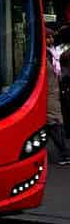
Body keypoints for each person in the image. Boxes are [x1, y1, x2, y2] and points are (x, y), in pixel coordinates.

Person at [47, 30, 70, 165]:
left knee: (54, 121)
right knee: (54, 120)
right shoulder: (50, 54)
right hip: (51, 92)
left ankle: (65, 153)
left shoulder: (54, 54)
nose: (50, 40)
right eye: (48, 37)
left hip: (53, 92)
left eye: (51, 37)